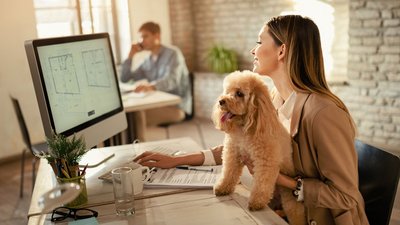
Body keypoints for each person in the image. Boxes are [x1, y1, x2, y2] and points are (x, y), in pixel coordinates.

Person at [134, 15, 369, 225]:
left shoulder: (324, 113)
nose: (252, 51)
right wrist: (178, 160)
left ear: (281, 51)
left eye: (259, 42)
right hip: (281, 208)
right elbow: (241, 145)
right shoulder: (275, 98)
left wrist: (280, 179)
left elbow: (346, 197)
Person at [120, 21, 192, 125]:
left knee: (135, 117)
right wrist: (130, 56)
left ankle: (137, 141)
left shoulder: (173, 53)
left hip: (176, 107)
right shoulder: (147, 60)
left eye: (145, 36)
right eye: (140, 38)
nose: (141, 41)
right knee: (129, 114)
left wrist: (150, 86)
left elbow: (172, 80)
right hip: (156, 102)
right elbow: (125, 78)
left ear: (157, 36)